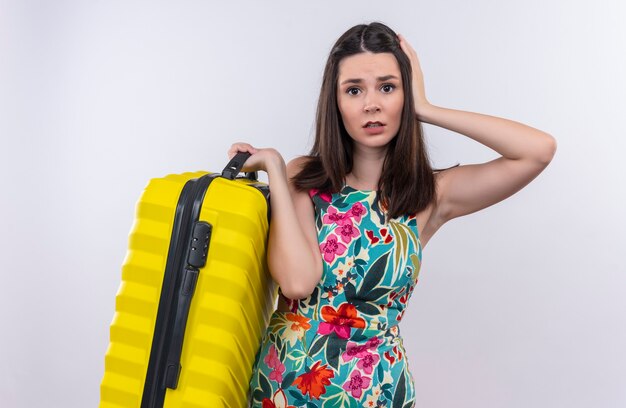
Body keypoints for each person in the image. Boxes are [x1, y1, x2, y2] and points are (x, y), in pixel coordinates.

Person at [228, 22, 556, 408]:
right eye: (354, 90)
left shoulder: (429, 194)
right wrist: (274, 167)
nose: (372, 104)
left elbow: (538, 150)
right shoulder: (304, 176)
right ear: (334, 102)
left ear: (405, 93)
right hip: (286, 390)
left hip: (377, 393)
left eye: (387, 87)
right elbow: (297, 283)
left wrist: (427, 109)